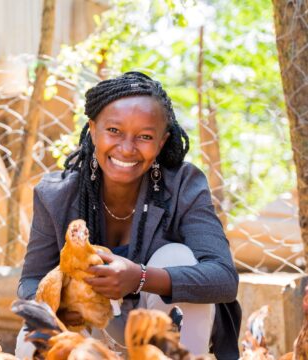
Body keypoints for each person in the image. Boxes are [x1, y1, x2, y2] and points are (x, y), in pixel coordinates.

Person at [16, 71, 241, 358]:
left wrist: (142, 278)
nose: (126, 148)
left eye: (145, 136)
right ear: (93, 129)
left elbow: (223, 278)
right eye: (114, 131)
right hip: (89, 328)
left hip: (162, 331)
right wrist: (71, 288)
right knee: (31, 335)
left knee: (176, 257)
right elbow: (29, 282)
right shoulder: (56, 194)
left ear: (161, 142)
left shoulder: (184, 185)